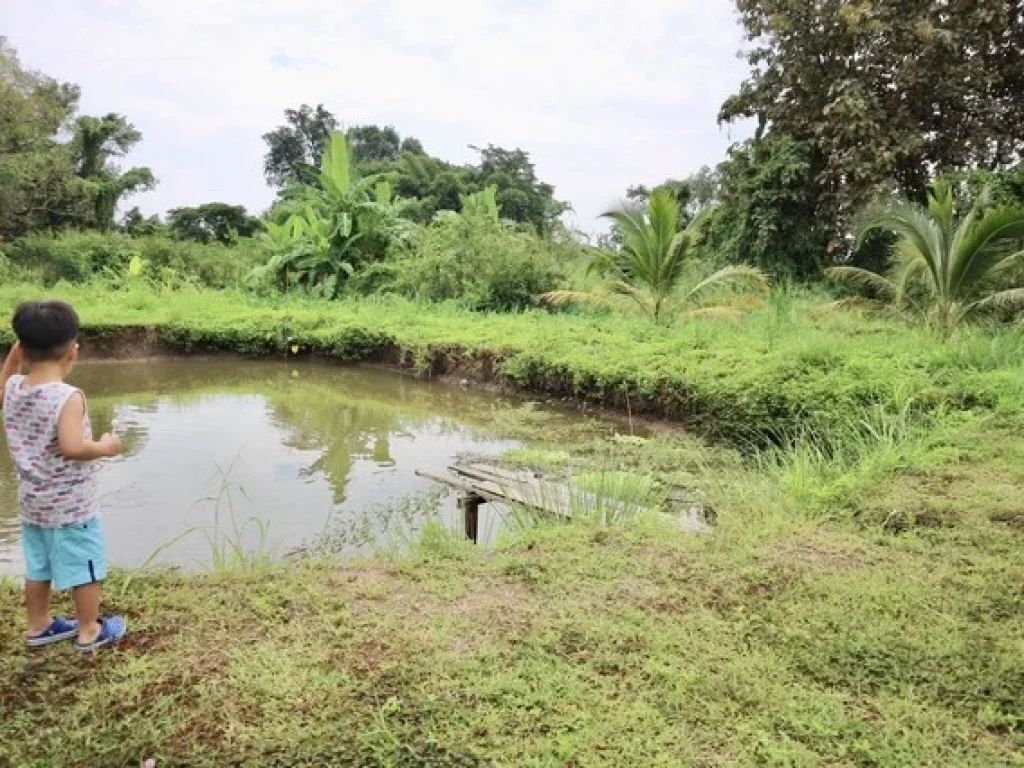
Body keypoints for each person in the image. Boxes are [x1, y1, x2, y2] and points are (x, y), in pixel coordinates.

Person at [1, 300, 127, 652]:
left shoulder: (12, 388)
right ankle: (90, 630)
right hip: (71, 506)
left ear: (22, 349)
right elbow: (73, 447)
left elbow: (6, 378)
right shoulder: (68, 397)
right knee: (85, 564)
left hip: (32, 503)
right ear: (73, 352)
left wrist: (14, 359)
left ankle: (39, 625)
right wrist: (105, 445)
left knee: (37, 566)